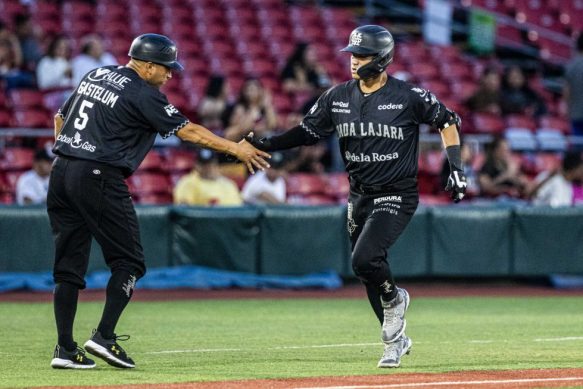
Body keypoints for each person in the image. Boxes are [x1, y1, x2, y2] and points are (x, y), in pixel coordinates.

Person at [245, 25, 466, 368]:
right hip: (359, 195)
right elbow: (307, 132)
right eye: (352, 54)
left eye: (361, 55)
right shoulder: (337, 96)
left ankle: (396, 300)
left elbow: (448, 121)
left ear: (381, 59)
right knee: (367, 272)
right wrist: (268, 143)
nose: (353, 61)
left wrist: (456, 167)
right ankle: (394, 341)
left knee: (364, 258)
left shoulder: (409, 96)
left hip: (396, 193)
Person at [47, 33, 269, 370]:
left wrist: (70, 156)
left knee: (67, 268)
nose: (170, 75)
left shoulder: (95, 74)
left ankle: (64, 349)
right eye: (166, 68)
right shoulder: (143, 93)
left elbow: (59, 119)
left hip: (61, 171)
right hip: (98, 175)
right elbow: (189, 132)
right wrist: (236, 148)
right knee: (130, 261)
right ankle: (104, 336)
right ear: (147, 64)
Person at [173, 149, 243, 206]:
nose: (207, 168)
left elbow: (237, 209)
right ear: (196, 165)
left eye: (210, 164)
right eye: (203, 164)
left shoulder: (229, 184)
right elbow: (184, 209)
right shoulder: (187, 182)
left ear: (216, 164)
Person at [563, 34, 583, 137]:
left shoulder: (571, 66)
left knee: (579, 145)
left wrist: (567, 108)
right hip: (577, 113)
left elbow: (566, 91)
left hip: (576, 113)